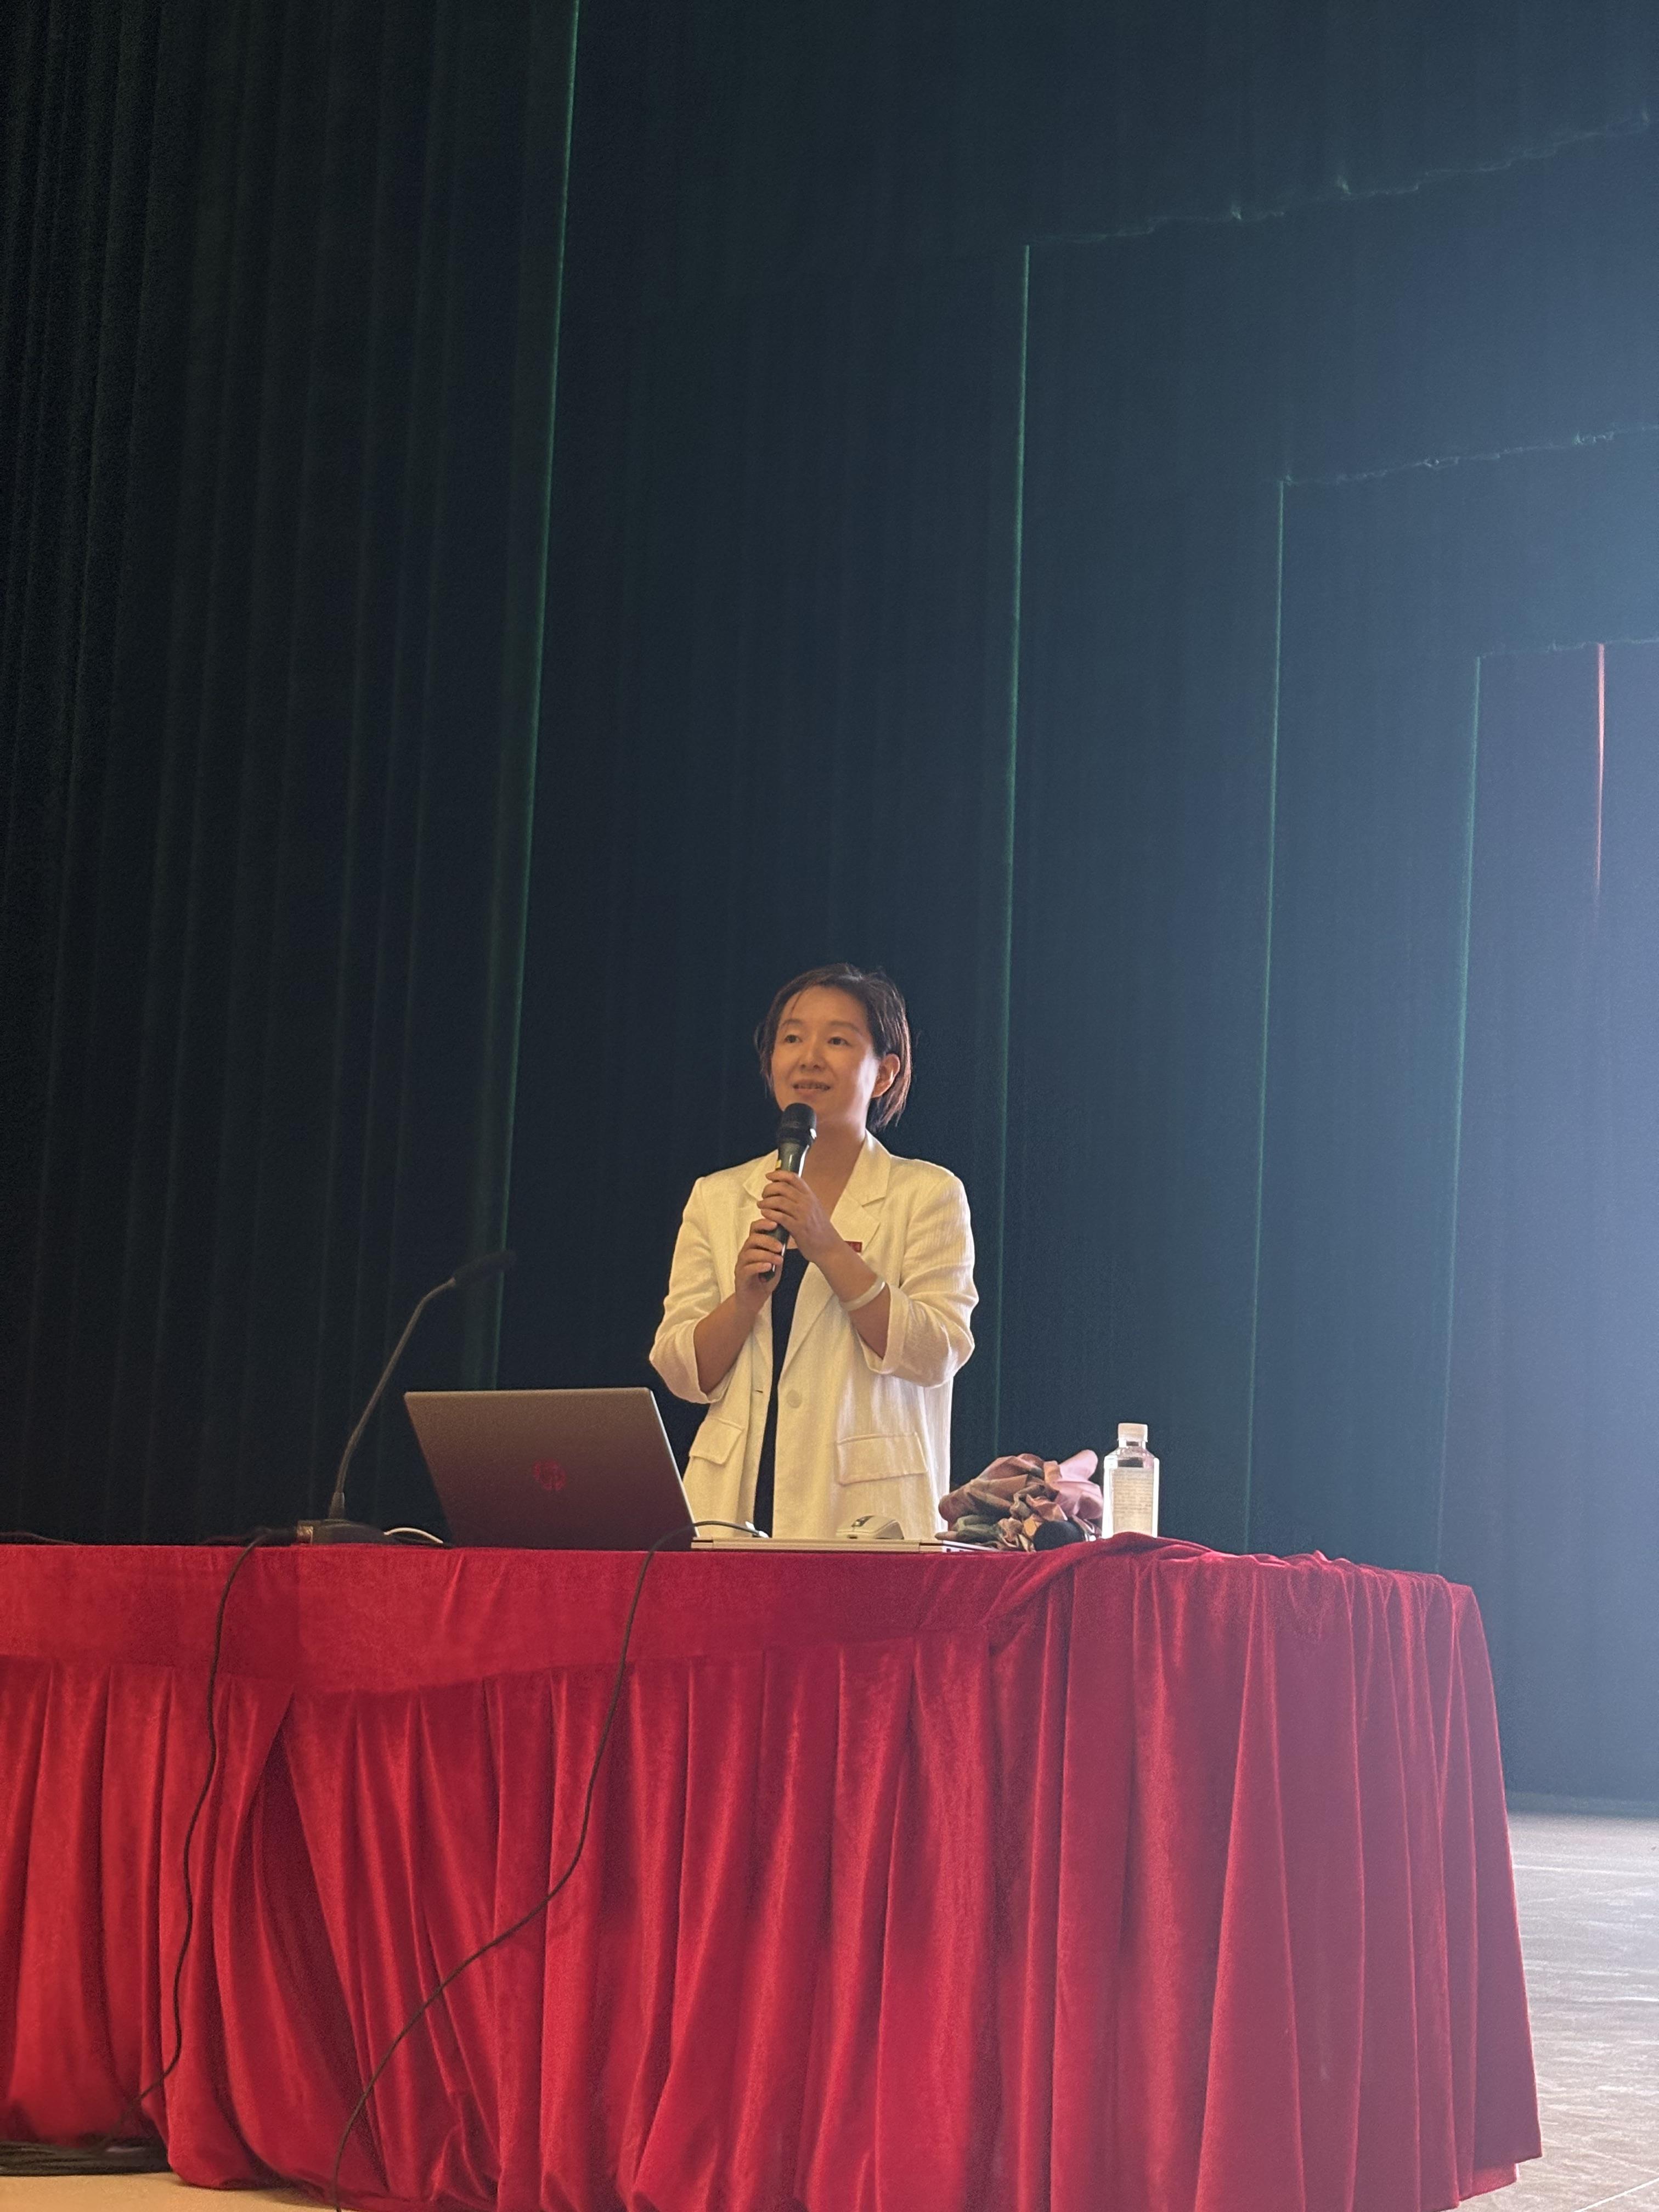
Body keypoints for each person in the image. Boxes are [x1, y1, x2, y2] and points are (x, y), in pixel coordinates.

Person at [650, 965, 976, 1541]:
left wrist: (826, 1246)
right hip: (729, 1506)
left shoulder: (927, 1194)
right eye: (793, 1038)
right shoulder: (718, 1197)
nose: (809, 1058)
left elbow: (938, 1351)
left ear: (885, 1073)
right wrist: (743, 1302)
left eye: (838, 1041)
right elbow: (680, 1371)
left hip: (866, 1511)